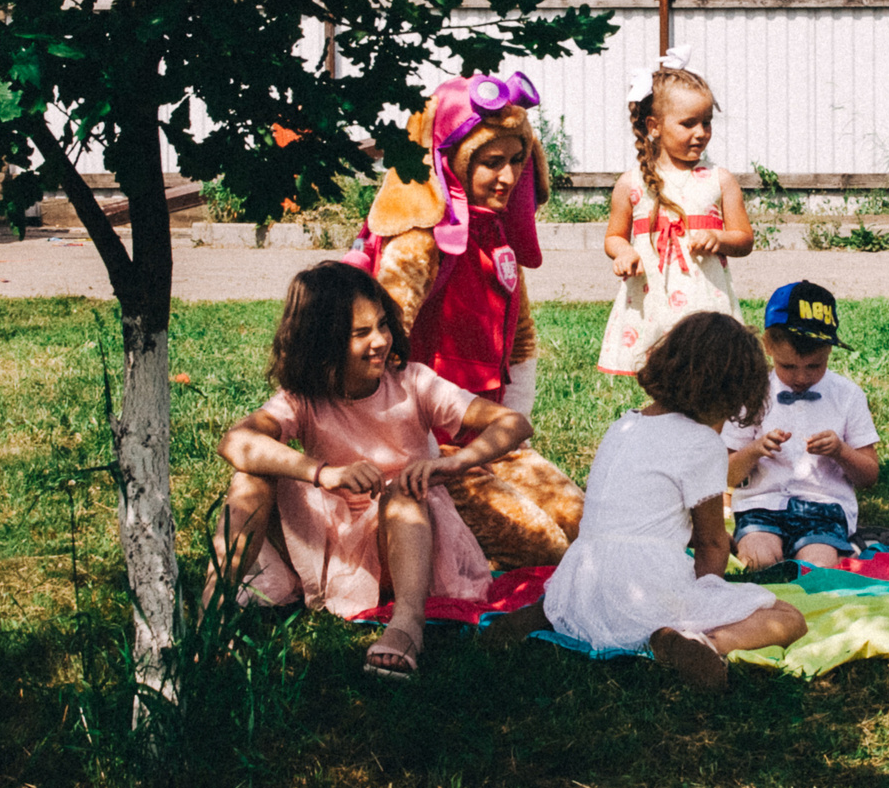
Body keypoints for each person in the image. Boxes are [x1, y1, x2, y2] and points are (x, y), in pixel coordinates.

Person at [217, 262, 534, 681]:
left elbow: (513, 423)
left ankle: (407, 626)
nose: (380, 341)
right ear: (322, 342)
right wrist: (323, 473)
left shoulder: (413, 383)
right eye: (360, 333)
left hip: (405, 536)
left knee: (402, 490)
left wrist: (450, 463)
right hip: (331, 536)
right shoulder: (304, 398)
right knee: (249, 478)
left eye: (382, 325)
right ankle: (212, 618)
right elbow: (235, 443)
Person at [349, 73, 585, 566]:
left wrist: (510, 424)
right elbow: (383, 345)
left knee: (584, 524)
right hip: (426, 449)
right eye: (490, 162)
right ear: (453, 161)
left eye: (517, 160)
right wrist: (418, 445)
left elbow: (519, 336)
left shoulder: (494, 233)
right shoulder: (420, 240)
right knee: (543, 547)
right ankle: (445, 547)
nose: (507, 176)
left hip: (487, 440)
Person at [530, 311, 807, 691]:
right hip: (644, 585)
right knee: (788, 617)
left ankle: (558, 615)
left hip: (580, 575)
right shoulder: (701, 443)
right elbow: (711, 542)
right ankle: (698, 642)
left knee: (597, 601)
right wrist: (706, 600)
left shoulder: (624, 424)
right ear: (729, 394)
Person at [596, 48, 755, 376]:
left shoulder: (718, 179)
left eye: (707, 123)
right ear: (654, 126)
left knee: (706, 370)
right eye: (689, 123)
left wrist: (719, 237)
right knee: (658, 371)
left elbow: (744, 239)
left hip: (702, 299)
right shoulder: (631, 183)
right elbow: (614, 235)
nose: (701, 133)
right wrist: (624, 252)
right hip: (652, 297)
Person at [721, 281, 881, 569]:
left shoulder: (847, 395)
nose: (801, 379)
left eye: (814, 366)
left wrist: (841, 451)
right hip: (761, 505)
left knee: (816, 568)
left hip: (824, 507)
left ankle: (839, 549)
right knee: (758, 561)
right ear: (768, 346)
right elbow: (727, 474)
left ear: (830, 350)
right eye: (788, 367)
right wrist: (755, 450)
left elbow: (869, 475)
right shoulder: (752, 392)